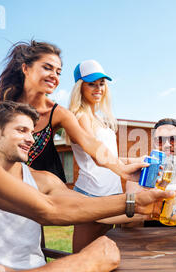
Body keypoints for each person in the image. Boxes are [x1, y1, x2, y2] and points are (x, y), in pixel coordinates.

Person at [0, 13, 174, 272]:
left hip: (34, 186)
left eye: (59, 70)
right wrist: (82, 262)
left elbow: (52, 204)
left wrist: (129, 186)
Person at [0, 101, 150, 272]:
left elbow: (86, 207)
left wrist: (147, 205)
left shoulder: (43, 181)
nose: (31, 139)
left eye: (31, 132)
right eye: (21, 130)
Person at [0, 40, 143, 183]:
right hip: (2, 188)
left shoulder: (59, 113)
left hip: (46, 191)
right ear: (25, 68)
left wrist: (122, 169)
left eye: (58, 72)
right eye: (47, 68)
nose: (54, 76)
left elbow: (90, 142)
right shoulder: (2, 103)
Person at [68, 60, 125, 252]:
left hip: (111, 193)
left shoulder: (100, 118)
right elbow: (97, 157)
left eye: (101, 83)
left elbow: (111, 158)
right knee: (82, 258)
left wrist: (135, 162)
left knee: (104, 257)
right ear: (80, 87)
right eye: (91, 84)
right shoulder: (80, 116)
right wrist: (126, 169)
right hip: (92, 195)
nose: (98, 88)